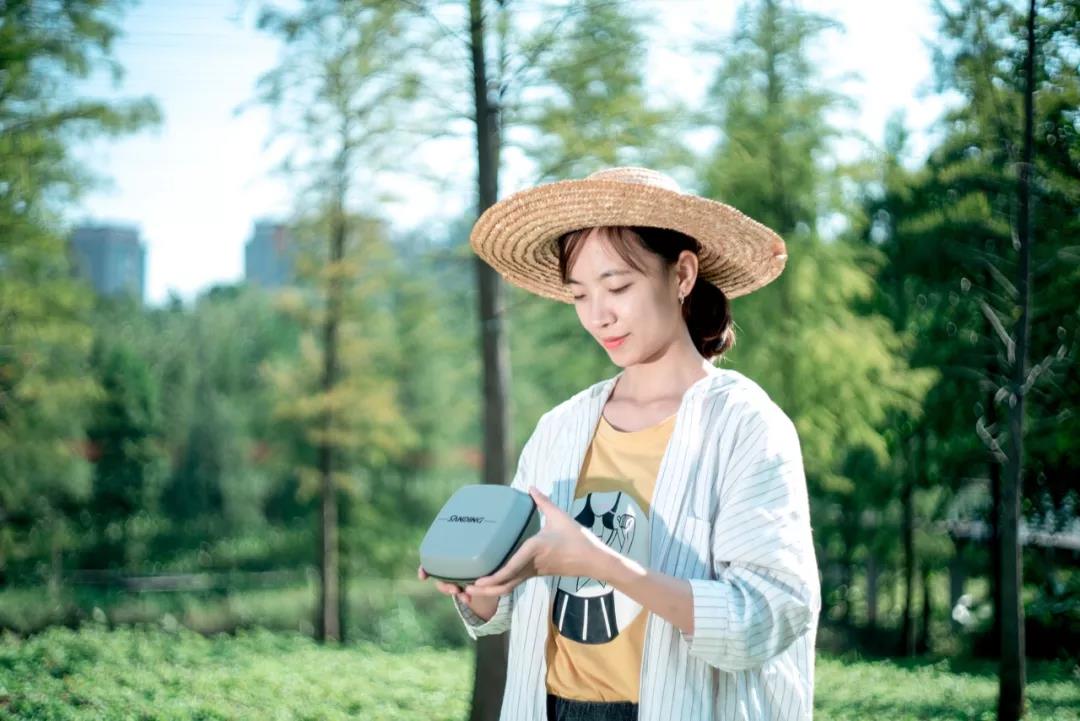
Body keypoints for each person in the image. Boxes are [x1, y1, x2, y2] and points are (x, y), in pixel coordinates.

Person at [418, 167, 821, 721]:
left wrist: (600, 563)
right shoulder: (559, 428)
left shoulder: (745, 426)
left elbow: (768, 616)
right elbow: (505, 607)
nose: (597, 315)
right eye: (580, 294)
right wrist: (480, 586)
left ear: (682, 275)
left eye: (618, 287)